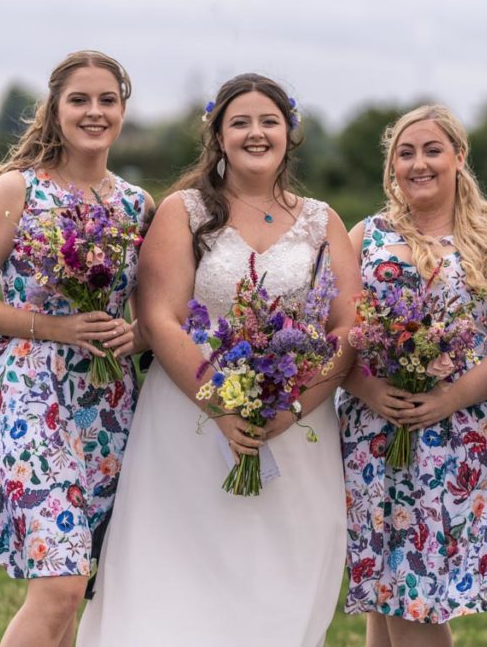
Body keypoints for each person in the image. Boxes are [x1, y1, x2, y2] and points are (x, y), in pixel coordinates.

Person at [76, 73, 359, 646]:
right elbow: (160, 318)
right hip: (190, 417)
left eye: (269, 122)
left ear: (289, 132)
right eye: (240, 122)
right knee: (178, 577)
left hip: (295, 425)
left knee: (280, 575)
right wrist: (223, 405)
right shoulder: (183, 211)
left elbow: (348, 327)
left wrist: (295, 406)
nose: (256, 133)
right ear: (218, 135)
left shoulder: (322, 219)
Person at [0, 50, 153, 646]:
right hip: (29, 396)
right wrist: (56, 328)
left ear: (122, 109)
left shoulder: (137, 206)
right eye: (80, 100)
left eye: (107, 100)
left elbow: (150, 318)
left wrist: (133, 334)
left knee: (69, 587)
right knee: (61, 585)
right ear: (55, 110)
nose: (94, 112)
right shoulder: (18, 190)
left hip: (106, 405)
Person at [336, 104, 487, 647]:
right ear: (392, 165)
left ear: (459, 157)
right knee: (385, 591)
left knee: (415, 596)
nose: (418, 164)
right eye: (406, 153)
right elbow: (336, 335)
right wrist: (372, 390)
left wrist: (451, 398)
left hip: (458, 438)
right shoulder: (365, 236)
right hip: (375, 435)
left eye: (432, 150)